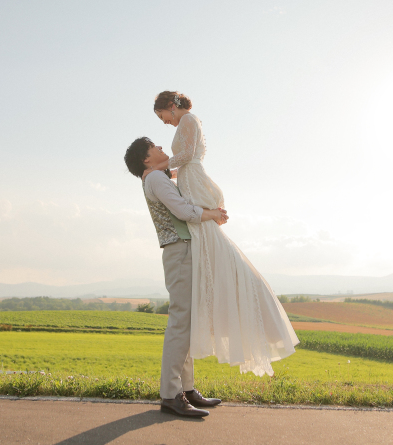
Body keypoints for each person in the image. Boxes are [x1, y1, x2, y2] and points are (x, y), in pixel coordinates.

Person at [148, 91, 299, 377]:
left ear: (170, 106)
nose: (164, 123)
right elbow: (186, 164)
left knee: (215, 246)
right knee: (210, 246)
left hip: (196, 182)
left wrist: (159, 166)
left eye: (162, 116)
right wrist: (171, 173)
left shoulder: (189, 119)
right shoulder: (183, 125)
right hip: (191, 180)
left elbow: (188, 156)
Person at [124, 137, 227, 418]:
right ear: (146, 159)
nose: (161, 148)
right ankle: (171, 394)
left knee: (187, 323)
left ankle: (187, 388)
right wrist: (212, 214)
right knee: (180, 323)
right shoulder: (155, 179)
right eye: (155, 147)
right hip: (179, 252)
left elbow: (182, 171)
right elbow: (182, 211)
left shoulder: (159, 177)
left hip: (183, 252)